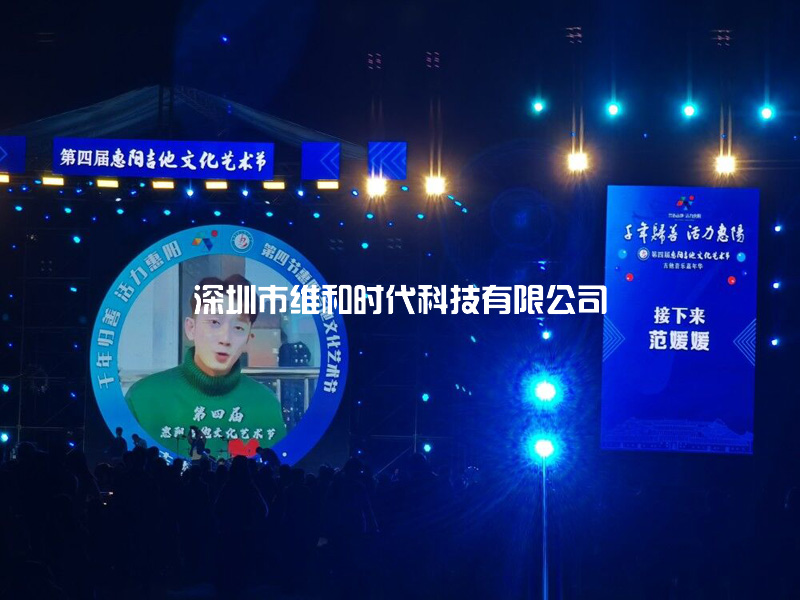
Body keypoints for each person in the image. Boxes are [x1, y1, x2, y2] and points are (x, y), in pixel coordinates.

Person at [124, 274, 287, 457]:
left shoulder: (265, 404)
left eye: (238, 328)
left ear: (248, 338)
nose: (225, 339)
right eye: (214, 322)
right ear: (191, 328)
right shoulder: (143, 398)